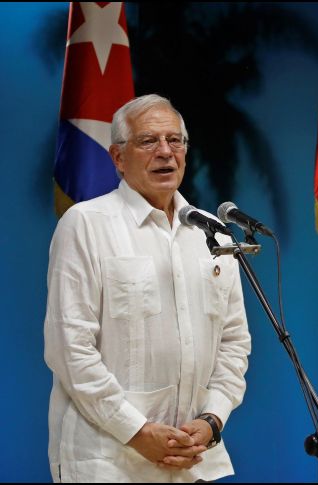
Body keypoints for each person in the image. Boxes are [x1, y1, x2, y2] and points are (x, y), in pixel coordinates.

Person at [44, 94, 252, 482]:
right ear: (118, 158)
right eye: (148, 141)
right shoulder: (86, 224)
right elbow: (69, 349)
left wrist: (212, 419)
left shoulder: (211, 232)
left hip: (193, 459)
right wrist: (137, 432)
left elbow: (234, 342)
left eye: (175, 141)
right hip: (108, 461)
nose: (165, 152)